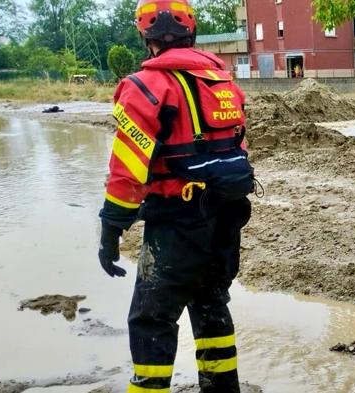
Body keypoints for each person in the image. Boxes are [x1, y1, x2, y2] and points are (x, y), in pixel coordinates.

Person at [97, 1, 253, 392]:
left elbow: (128, 170)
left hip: (176, 219)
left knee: (152, 319)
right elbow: (239, 147)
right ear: (192, 33)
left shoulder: (143, 87)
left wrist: (111, 229)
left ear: (144, 37)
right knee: (212, 305)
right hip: (225, 216)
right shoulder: (224, 83)